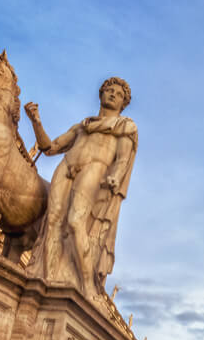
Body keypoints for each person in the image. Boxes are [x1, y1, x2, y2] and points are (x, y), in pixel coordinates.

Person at [25, 77, 137, 297]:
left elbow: (123, 159)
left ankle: (86, 287)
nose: (113, 94)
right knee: (53, 223)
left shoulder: (124, 126)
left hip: (95, 169)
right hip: (66, 167)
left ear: (123, 103)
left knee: (76, 222)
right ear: (101, 94)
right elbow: (49, 147)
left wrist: (115, 176)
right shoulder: (81, 126)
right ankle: (47, 279)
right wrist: (36, 121)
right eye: (109, 90)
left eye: (119, 94)